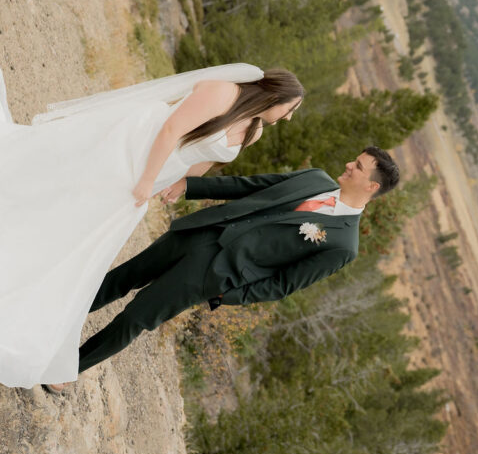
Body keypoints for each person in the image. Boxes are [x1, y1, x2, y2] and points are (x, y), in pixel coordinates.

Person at [0, 14, 303, 387]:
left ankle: (35, 262)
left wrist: (179, 185)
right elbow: (172, 130)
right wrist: (147, 179)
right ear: (277, 95)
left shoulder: (254, 131)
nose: (289, 118)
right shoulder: (223, 93)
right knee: (73, 193)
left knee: (83, 228)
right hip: (136, 152)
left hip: (157, 173)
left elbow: (207, 157)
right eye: (291, 109)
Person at [44, 146, 400, 393]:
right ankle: (44, 322)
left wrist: (225, 294)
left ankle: (68, 369)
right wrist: (191, 186)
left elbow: (283, 285)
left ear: (371, 186)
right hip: (199, 233)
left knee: (136, 317)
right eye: (354, 160)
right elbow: (250, 185)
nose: (350, 165)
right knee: (119, 279)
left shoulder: (343, 244)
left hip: (214, 273)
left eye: (358, 167)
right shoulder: (316, 178)